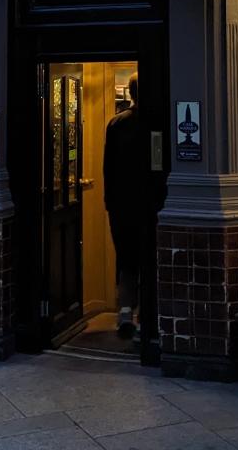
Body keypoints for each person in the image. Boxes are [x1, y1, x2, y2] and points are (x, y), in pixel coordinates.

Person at [102, 73, 148, 338]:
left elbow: (108, 167)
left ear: (130, 93)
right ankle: (146, 317)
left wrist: (109, 202)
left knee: (126, 261)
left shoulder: (117, 123)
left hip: (121, 206)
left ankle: (125, 314)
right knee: (148, 259)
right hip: (148, 205)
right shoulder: (155, 121)